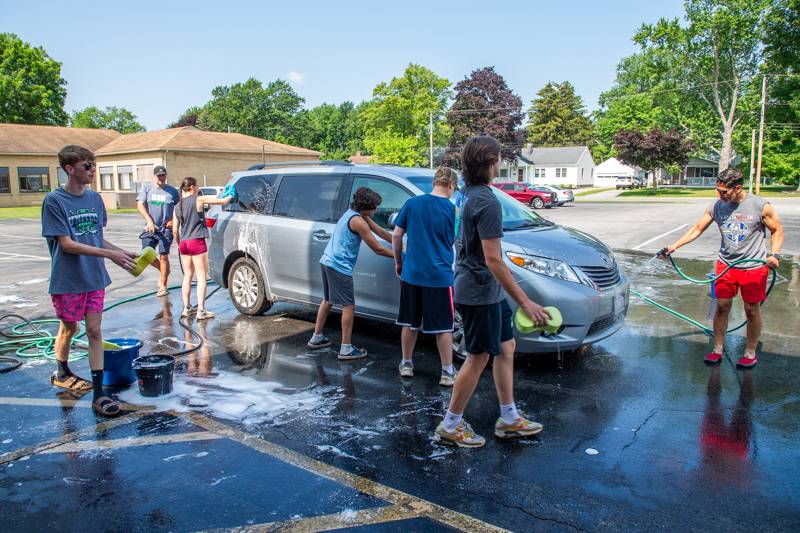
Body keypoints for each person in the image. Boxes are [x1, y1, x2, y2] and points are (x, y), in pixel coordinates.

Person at [435, 134, 550, 448]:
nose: (501, 163)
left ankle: (509, 418)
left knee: (506, 346)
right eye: (498, 158)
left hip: (488, 289)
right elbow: (492, 259)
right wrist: (525, 302)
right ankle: (451, 424)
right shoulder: (485, 200)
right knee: (478, 357)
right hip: (478, 291)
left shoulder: (470, 193)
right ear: (488, 163)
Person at [42, 145, 137, 417]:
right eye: (87, 166)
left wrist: (119, 251)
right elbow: (67, 244)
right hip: (68, 279)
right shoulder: (55, 201)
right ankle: (62, 369)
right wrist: (109, 254)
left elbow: (95, 236)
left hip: (94, 277)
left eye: (94, 165)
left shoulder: (95, 199)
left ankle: (99, 395)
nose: (93, 171)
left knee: (95, 331)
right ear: (70, 169)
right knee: (69, 328)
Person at [661, 168, 783, 368]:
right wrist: (675, 245)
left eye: (723, 191)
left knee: (751, 310)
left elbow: (777, 230)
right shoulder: (717, 206)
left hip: (753, 267)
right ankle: (717, 348)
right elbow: (698, 228)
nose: (719, 195)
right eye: (717, 190)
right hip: (726, 266)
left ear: (737, 188)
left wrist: (774, 254)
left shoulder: (761, 206)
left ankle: (750, 352)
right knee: (722, 306)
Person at [307, 187, 394, 360]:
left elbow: (382, 233)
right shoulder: (358, 222)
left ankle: (317, 338)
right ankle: (346, 348)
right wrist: (401, 255)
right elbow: (377, 248)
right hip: (339, 266)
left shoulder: (355, 214)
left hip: (327, 262)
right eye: (374, 207)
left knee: (328, 300)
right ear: (366, 207)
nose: (376, 210)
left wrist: (399, 243)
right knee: (349, 306)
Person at [392, 166, 458, 386]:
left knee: (410, 323)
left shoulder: (412, 203)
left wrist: (399, 262)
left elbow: (397, 235)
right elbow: (452, 240)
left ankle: (406, 363)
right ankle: (447, 372)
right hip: (439, 276)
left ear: (433, 183)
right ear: (451, 186)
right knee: (443, 327)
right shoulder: (452, 210)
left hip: (412, 274)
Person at [172, 177, 233, 320]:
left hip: (184, 243)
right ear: (192, 187)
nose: (198, 188)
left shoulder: (177, 206)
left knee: (187, 276)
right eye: (197, 186)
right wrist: (231, 195)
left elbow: (175, 231)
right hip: (196, 241)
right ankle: (201, 310)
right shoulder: (198, 199)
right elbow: (223, 202)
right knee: (201, 277)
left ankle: (186, 308)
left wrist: (179, 244)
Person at [137, 165, 180, 296]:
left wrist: (174, 220)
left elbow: (178, 208)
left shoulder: (172, 191)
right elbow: (140, 204)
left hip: (166, 228)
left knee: (163, 256)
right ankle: (164, 271)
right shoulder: (147, 188)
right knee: (146, 255)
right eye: (159, 175)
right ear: (154, 176)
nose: (161, 178)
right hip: (151, 227)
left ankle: (163, 285)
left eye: (163, 175)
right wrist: (149, 220)